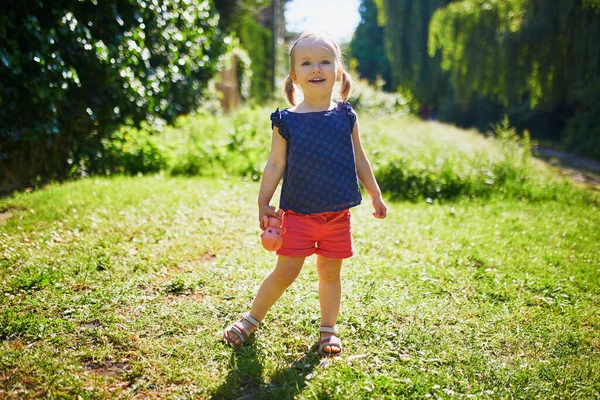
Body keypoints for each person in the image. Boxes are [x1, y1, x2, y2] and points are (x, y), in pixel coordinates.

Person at [223, 31, 387, 356]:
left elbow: (360, 158)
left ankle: (328, 330)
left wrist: (375, 195)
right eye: (307, 62)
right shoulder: (286, 121)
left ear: (338, 72)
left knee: (330, 271)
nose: (316, 68)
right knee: (285, 272)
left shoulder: (346, 116)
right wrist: (262, 202)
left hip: (337, 215)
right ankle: (251, 319)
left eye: (325, 61)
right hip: (298, 213)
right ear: (294, 75)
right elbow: (274, 164)